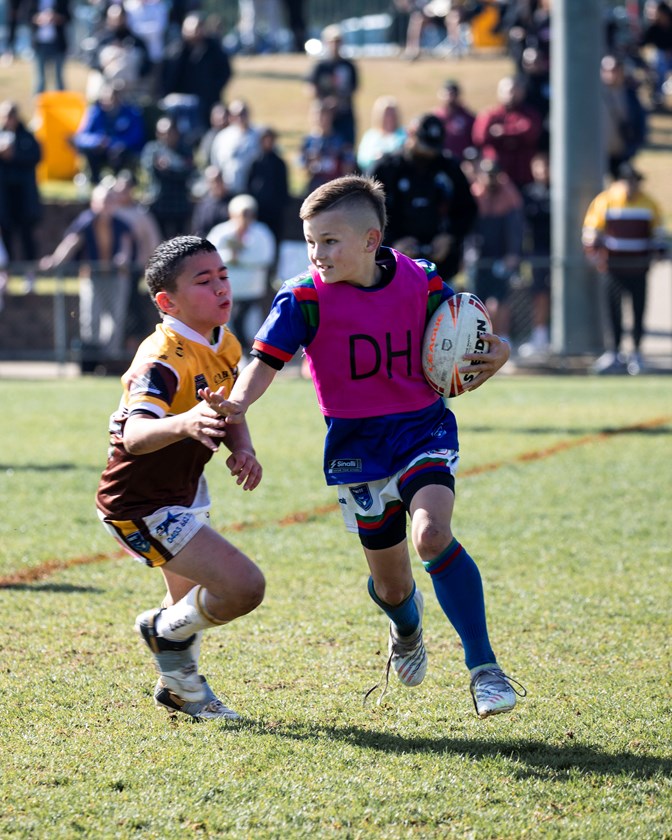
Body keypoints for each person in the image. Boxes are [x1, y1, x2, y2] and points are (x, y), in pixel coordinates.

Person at [201, 174, 526, 719]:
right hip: (355, 448)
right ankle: (405, 625)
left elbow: (468, 332)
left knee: (432, 533)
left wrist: (502, 351)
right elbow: (264, 362)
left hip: (422, 430)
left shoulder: (420, 281)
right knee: (392, 584)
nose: (317, 253)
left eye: (330, 241)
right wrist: (239, 403)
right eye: (310, 242)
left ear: (371, 240)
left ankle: (485, 669)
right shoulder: (303, 297)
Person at [94, 235, 266, 720]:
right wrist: (186, 422)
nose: (221, 288)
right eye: (204, 280)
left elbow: (228, 409)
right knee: (243, 588)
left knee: (185, 607)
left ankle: (180, 688)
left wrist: (244, 448)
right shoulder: (161, 360)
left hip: (182, 492)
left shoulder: (225, 341)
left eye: (223, 276)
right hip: (140, 504)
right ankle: (159, 629)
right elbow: (135, 434)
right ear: (167, 301)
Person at [582, 162, 667, 376]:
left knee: (638, 311)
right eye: (627, 180)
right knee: (613, 311)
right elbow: (592, 232)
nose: (631, 185)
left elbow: (658, 235)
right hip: (614, 268)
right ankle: (615, 352)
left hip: (638, 268)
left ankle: (637, 352)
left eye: (634, 181)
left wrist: (656, 254)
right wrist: (595, 256)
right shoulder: (606, 201)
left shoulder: (649, 204)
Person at [371, 112, 478, 281]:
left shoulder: (449, 167)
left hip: (441, 270)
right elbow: (369, 214)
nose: (429, 153)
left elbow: (467, 209)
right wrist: (392, 243)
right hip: (393, 269)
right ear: (410, 135)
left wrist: (450, 237)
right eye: (424, 146)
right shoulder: (386, 169)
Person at [39, 181, 135, 357]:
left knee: (116, 319)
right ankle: (91, 358)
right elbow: (71, 243)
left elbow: (125, 247)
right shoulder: (86, 221)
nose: (107, 205)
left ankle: (110, 358)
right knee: (90, 318)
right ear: (94, 202)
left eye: (110, 200)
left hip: (117, 277)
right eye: (103, 200)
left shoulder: (121, 224)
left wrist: (123, 259)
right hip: (92, 276)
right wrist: (55, 260)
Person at [206, 193, 276, 354]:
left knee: (248, 323)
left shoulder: (261, 232)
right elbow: (211, 255)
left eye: (248, 213)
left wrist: (241, 258)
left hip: (252, 288)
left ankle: (248, 353)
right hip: (228, 289)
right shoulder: (221, 232)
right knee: (228, 323)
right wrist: (231, 257)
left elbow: (266, 256)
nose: (245, 217)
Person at [465, 157, 523, 343]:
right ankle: (477, 339)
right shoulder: (474, 195)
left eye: (494, 175)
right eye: (487, 175)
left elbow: (514, 229)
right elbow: (468, 229)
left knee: (501, 300)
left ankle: (503, 338)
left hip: (500, 256)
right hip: (478, 258)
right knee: (477, 301)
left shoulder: (508, 195)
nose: (490, 179)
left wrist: (512, 254)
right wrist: (467, 255)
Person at [161, 12, 233, 133]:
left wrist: (213, 89)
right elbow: (166, 77)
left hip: (207, 100)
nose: (195, 32)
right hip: (179, 99)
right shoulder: (175, 51)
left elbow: (225, 72)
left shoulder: (214, 49)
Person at [471, 74, 543, 189]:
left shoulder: (530, 114)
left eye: (516, 90)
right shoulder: (490, 114)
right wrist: (517, 130)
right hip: (495, 179)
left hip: (522, 176)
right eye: (508, 91)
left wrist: (502, 131)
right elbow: (480, 137)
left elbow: (530, 132)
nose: (512, 94)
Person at [0, 101, 42, 288]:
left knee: (27, 238)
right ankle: (5, 275)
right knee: (6, 237)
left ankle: (30, 274)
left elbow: (36, 156)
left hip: (24, 197)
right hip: (5, 198)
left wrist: (14, 155)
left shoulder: (27, 137)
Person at [71, 83, 146, 184]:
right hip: (100, 151)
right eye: (107, 98)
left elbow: (137, 136)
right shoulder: (95, 112)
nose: (109, 102)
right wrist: (97, 141)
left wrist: (116, 144)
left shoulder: (131, 113)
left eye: (113, 98)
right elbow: (81, 137)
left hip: (122, 153)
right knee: (91, 151)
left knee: (121, 153)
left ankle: (121, 182)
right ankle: (95, 181)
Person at [140, 115, 196, 239]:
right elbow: (151, 170)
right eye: (162, 133)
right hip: (158, 204)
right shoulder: (152, 149)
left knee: (180, 244)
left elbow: (188, 172)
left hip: (180, 206)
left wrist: (169, 170)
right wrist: (174, 170)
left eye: (169, 132)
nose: (166, 136)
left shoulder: (185, 150)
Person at [518, 150, 551, 358]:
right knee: (539, 293)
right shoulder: (529, 194)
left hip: (557, 252)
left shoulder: (561, 191)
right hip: (538, 252)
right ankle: (540, 335)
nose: (542, 171)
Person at [305, 24, 359, 146]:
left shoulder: (348, 66)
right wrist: (324, 103)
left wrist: (338, 101)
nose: (335, 45)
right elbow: (310, 87)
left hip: (345, 116)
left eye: (338, 41)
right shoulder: (321, 66)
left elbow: (353, 88)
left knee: (346, 149)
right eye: (332, 41)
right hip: (325, 120)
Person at [299, 100, 356, 195]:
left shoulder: (340, 140)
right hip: (314, 186)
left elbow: (349, 164)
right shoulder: (308, 141)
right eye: (317, 115)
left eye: (324, 115)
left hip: (335, 185)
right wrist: (311, 160)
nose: (321, 119)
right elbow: (301, 165)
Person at [356, 95, 407, 175]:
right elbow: (362, 159)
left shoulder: (404, 134)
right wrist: (376, 157)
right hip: (375, 174)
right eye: (387, 114)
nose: (390, 118)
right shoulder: (371, 136)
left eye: (392, 114)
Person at [27, 0, 70, 93]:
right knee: (40, 78)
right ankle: (39, 103)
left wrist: (56, 17)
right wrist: (38, 18)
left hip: (58, 43)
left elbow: (68, 17)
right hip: (39, 43)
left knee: (59, 77)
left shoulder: (62, 2)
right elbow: (27, 15)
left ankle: (60, 102)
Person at [432, 79, 476, 161]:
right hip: (439, 161)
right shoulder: (435, 116)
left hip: (462, 161)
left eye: (452, 94)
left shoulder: (467, 117)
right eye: (446, 94)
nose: (449, 97)